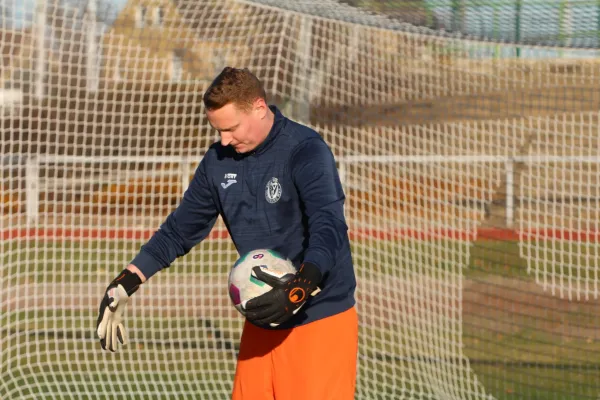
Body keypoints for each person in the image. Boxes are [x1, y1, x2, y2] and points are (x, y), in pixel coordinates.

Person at [96, 67, 358, 400]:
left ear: (259, 107)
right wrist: (128, 280)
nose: (224, 140)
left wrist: (303, 284)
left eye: (231, 128)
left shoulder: (304, 149)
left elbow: (328, 224)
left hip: (319, 320)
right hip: (264, 318)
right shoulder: (219, 161)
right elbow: (180, 230)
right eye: (217, 130)